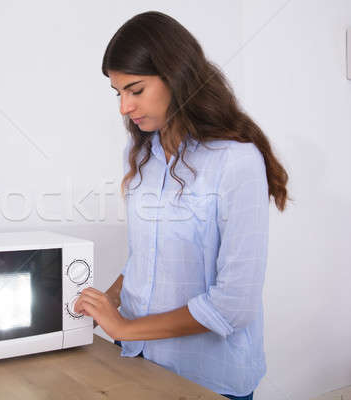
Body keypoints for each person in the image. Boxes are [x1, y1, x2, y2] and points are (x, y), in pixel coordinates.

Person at [73, 11, 289, 400]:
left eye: (135, 90)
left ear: (176, 77)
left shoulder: (236, 160)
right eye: (118, 93)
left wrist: (122, 328)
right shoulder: (139, 152)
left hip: (207, 377)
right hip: (137, 362)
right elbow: (147, 260)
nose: (124, 107)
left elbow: (232, 306)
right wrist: (108, 302)